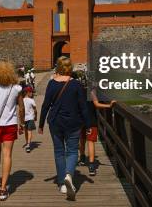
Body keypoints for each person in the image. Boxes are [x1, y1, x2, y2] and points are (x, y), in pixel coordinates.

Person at [38, 56, 90, 201]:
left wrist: (41, 124)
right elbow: (83, 107)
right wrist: (89, 125)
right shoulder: (77, 85)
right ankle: (69, 174)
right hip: (73, 123)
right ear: (70, 68)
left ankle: (62, 183)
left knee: (59, 152)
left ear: (58, 67)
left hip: (55, 122)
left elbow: (45, 105)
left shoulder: (52, 84)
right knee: (72, 151)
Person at [0, 61, 25, 201]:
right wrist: (23, 123)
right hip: (10, 124)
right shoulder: (16, 88)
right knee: (7, 154)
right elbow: (21, 108)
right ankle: (3, 189)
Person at [78, 82, 116, 176]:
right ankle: (91, 166)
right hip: (91, 121)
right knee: (91, 141)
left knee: (82, 140)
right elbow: (97, 104)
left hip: (80, 120)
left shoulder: (79, 91)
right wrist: (109, 106)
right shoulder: (92, 92)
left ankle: (82, 158)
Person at [22, 86, 37, 153]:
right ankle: (28, 144)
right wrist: (35, 116)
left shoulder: (22, 100)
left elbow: (20, 110)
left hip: (24, 118)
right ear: (27, 92)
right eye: (31, 92)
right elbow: (35, 110)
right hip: (30, 118)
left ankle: (27, 143)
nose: (32, 93)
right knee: (29, 131)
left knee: (26, 131)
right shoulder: (31, 100)